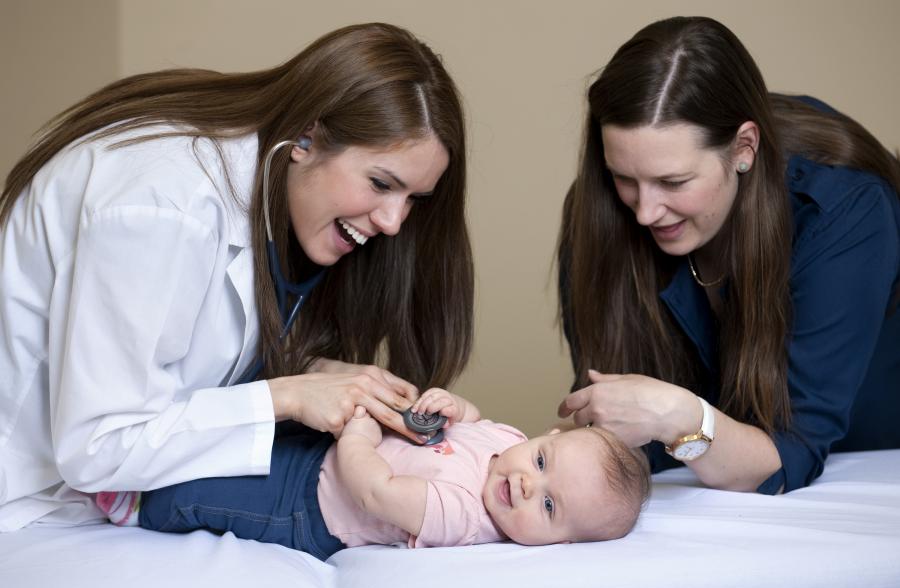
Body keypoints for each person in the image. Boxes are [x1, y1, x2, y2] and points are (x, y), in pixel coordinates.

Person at [0, 23, 475, 532]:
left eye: (412, 200)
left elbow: (176, 366)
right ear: (307, 139)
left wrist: (310, 370)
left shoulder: (256, 192)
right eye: (381, 184)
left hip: (94, 498)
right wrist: (287, 396)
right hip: (26, 498)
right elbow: (96, 448)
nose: (393, 222)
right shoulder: (161, 206)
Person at [555, 16, 900, 495]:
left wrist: (677, 416)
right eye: (625, 178)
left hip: (869, 458)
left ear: (743, 148)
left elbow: (787, 458)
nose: (644, 212)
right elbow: (622, 431)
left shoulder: (845, 210)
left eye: (674, 182)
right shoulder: (600, 211)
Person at [96, 389, 651, 559]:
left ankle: (140, 504)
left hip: (311, 509)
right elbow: (478, 421)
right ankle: (145, 451)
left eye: (549, 508)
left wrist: (358, 437)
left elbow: (376, 491)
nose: (529, 485)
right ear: (544, 440)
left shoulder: (463, 515)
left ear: (562, 543)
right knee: (231, 442)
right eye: (542, 463)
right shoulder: (509, 445)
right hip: (324, 452)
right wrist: (456, 408)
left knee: (218, 496)